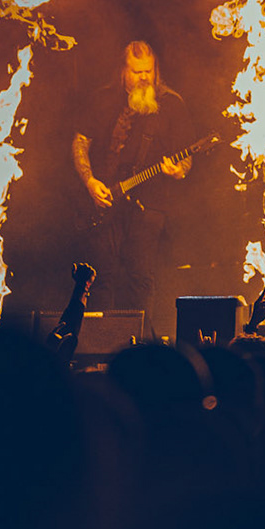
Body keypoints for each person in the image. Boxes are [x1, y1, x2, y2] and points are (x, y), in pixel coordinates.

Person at [71, 42, 194, 325]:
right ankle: (100, 345)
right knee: (101, 276)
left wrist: (178, 170)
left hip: (149, 205)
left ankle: (139, 348)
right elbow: (80, 141)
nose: (144, 77)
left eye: (148, 71)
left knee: (140, 277)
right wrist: (90, 182)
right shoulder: (102, 99)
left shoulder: (171, 104)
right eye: (137, 71)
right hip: (105, 201)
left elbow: (187, 157)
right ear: (124, 70)